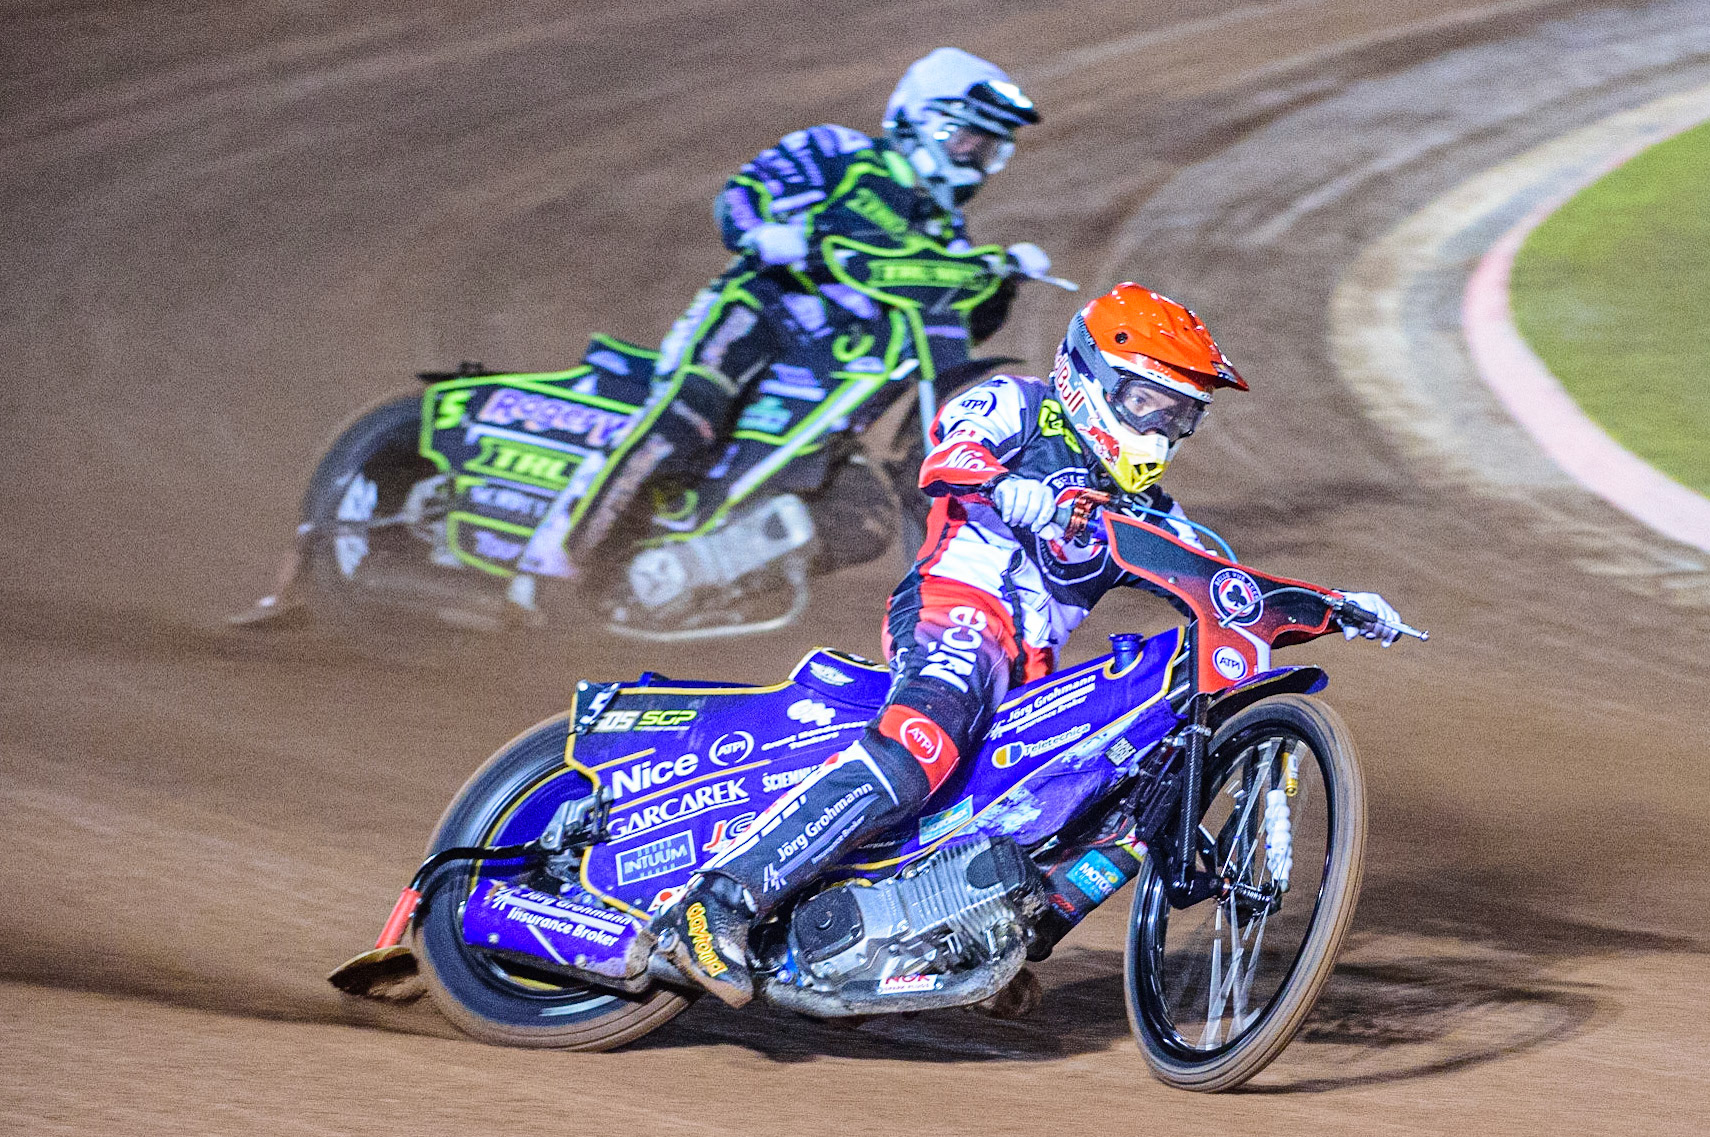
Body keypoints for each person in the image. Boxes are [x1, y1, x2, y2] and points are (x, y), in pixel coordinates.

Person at [654, 282, 1406, 1006]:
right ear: (1090, 378)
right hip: (957, 608)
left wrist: (1335, 606)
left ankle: (976, 934)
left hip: (1032, 665)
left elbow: (1224, 579)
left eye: (1181, 415)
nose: (1162, 429)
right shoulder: (1021, 406)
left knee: (1105, 792)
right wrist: (1008, 486)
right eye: (1149, 402)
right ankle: (719, 899)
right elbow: (946, 453)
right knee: (931, 731)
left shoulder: (1149, 508)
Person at [567, 47, 1052, 563]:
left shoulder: (943, 228)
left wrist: (1003, 283)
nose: (975, 158)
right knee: (688, 415)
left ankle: (699, 581)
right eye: (968, 138)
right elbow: (741, 195)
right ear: (922, 118)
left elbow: (955, 324)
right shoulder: (837, 150)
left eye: (990, 149)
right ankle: (570, 554)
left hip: (833, 364)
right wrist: (767, 234)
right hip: (761, 312)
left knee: (861, 513)